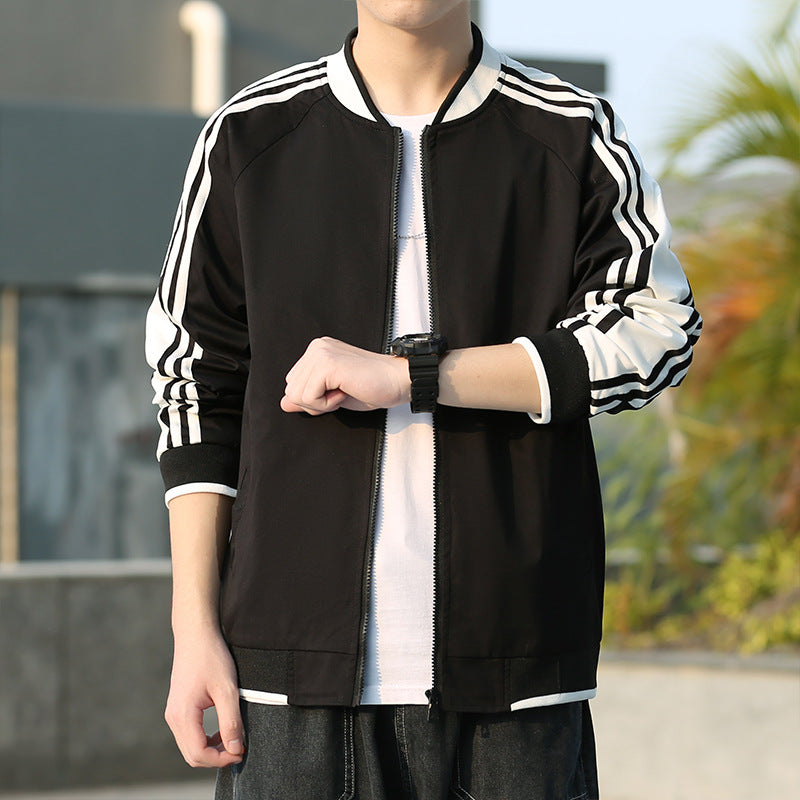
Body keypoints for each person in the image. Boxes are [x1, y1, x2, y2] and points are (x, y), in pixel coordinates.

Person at [145, 1, 701, 797]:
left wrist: (416, 376)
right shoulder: (249, 134)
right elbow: (194, 383)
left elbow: (658, 332)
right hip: (289, 680)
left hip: (514, 677)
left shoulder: (572, 131)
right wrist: (192, 627)